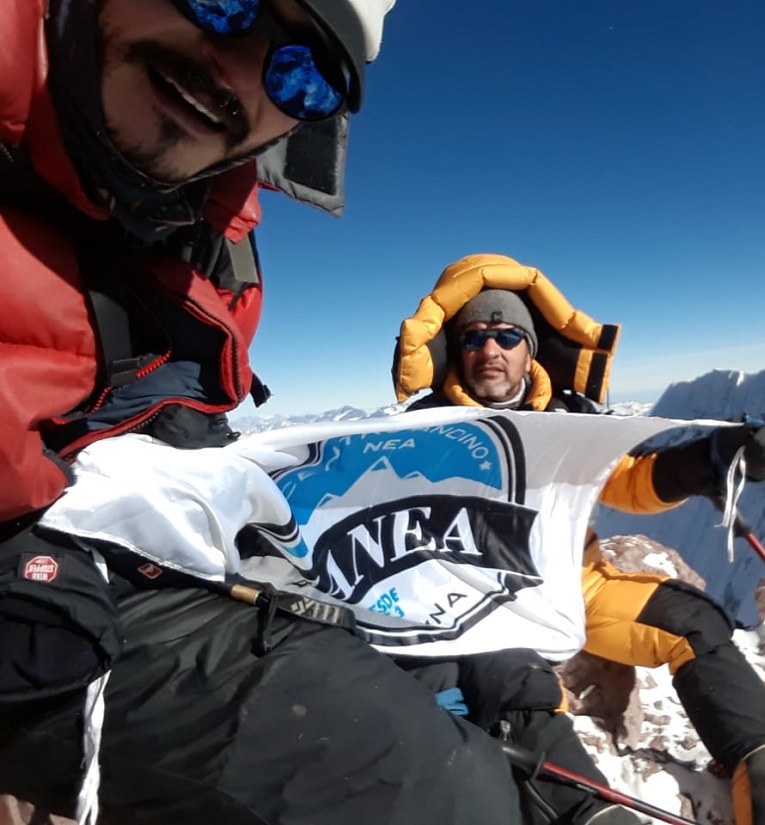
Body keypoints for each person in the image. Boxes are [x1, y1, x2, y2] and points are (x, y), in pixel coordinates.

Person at [0, 4, 525, 823]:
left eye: (304, 70)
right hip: (45, 573)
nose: (237, 69)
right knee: (431, 788)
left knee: (444, 665)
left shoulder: (206, 234)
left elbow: (182, 413)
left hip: (114, 547)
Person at [391, 253, 765, 825]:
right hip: (477, 597)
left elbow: (630, 481)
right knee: (514, 684)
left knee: (696, 624)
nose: (491, 350)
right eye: (475, 338)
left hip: (571, 582)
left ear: (529, 348)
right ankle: (590, 814)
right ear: (453, 350)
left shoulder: (569, 417)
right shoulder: (422, 430)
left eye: (508, 335)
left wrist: (705, 460)